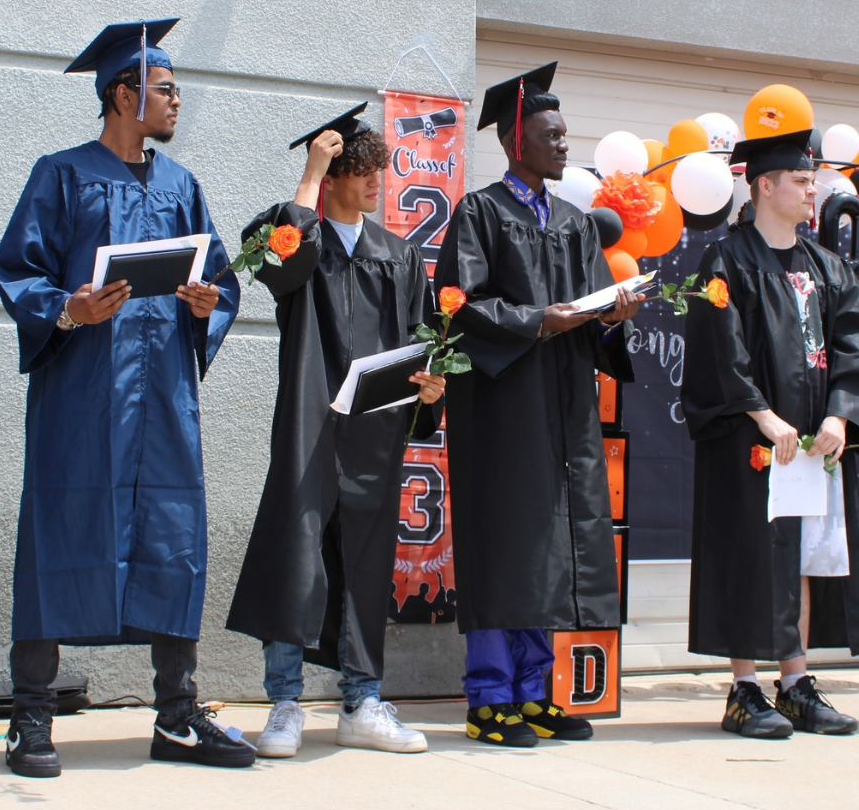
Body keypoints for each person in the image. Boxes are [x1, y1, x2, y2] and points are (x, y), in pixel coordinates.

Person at [0, 17, 250, 776]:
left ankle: (176, 717)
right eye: (167, 91)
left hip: (165, 393)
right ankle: (30, 716)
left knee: (173, 537)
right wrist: (68, 308)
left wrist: (207, 304)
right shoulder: (61, 174)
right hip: (85, 394)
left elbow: (221, 277)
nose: (177, 103)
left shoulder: (181, 185)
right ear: (123, 95)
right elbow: (18, 271)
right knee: (61, 530)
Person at [226, 104, 446, 757]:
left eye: (379, 167)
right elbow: (275, 267)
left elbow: (423, 341)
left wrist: (433, 387)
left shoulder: (399, 256)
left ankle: (363, 702)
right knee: (294, 556)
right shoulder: (299, 234)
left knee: (368, 564)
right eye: (360, 169)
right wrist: (309, 174)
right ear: (334, 176)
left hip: (375, 433)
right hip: (309, 424)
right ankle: (285, 704)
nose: (376, 180)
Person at [433, 62, 640, 747]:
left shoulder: (577, 223)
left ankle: (533, 692)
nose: (562, 145)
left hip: (564, 407)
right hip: (502, 409)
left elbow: (583, 311)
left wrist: (611, 314)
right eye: (550, 134)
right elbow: (458, 305)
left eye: (565, 134)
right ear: (514, 140)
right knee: (505, 544)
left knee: (552, 548)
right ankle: (488, 697)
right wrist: (535, 322)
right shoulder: (479, 213)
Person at [681, 128, 859, 738]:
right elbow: (718, 348)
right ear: (765, 185)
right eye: (802, 182)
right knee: (750, 556)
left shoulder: (829, 268)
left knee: (802, 559)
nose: (814, 192)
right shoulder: (727, 260)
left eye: (814, 182)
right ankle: (744, 688)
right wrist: (761, 414)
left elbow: (848, 347)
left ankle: (795, 683)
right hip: (753, 441)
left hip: (812, 444)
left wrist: (838, 413)